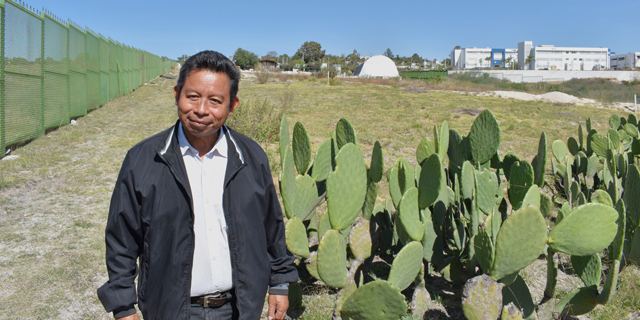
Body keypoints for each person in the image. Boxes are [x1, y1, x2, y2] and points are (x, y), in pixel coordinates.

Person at [97, 50, 298, 320]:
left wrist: (280, 283)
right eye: (192, 96)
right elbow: (121, 239)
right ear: (176, 94)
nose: (201, 110)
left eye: (215, 101)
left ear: (232, 105)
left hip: (238, 309)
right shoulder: (143, 160)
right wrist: (123, 307)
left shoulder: (251, 158)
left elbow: (271, 227)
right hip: (169, 310)